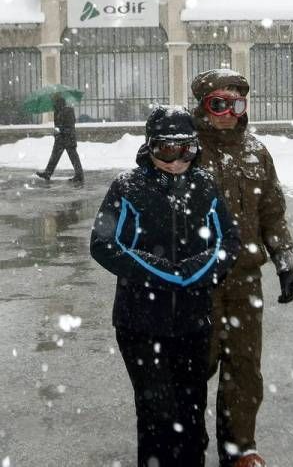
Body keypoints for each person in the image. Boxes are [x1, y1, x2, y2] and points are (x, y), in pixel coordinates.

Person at [90, 105, 240, 467]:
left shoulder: (205, 185)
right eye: (165, 149)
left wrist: (193, 272)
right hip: (140, 322)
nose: (175, 160)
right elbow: (104, 244)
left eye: (184, 149)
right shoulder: (128, 187)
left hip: (193, 321)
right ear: (150, 147)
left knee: (190, 413)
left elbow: (228, 242)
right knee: (156, 414)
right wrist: (161, 272)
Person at [190, 69, 293, 467]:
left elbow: (272, 210)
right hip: (196, 283)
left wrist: (284, 259)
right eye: (218, 104)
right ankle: (188, 445)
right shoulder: (184, 149)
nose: (227, 113)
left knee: (244, 370)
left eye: (236, 104)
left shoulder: (255, 152)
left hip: (244, 281)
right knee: (193, 367)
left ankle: (239, 448)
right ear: (202, 106)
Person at [35, 93, 84, 184]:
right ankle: (47, 173)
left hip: (69, 138)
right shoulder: (57, 111)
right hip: (60, 139)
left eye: (53, 101)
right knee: (54, 157)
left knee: (74, 157)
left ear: (58, 102)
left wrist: (60, 130)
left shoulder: (68, 111)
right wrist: (56, 132)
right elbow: (58, 125)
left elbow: (70, 127)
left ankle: (79, 175)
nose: (52, 103)